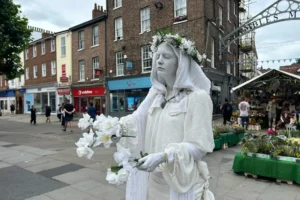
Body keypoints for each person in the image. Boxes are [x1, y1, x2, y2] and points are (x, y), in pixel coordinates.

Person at [114, 33, 215, 200]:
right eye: (157, 56)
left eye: (166, 56)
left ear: (181, 63)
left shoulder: (197, 98)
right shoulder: (157, 95)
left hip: (179, 183)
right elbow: (137, 119)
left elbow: (199, 146)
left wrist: (164, 156)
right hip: (153, 181)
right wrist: (117, 129)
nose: (159, 61)